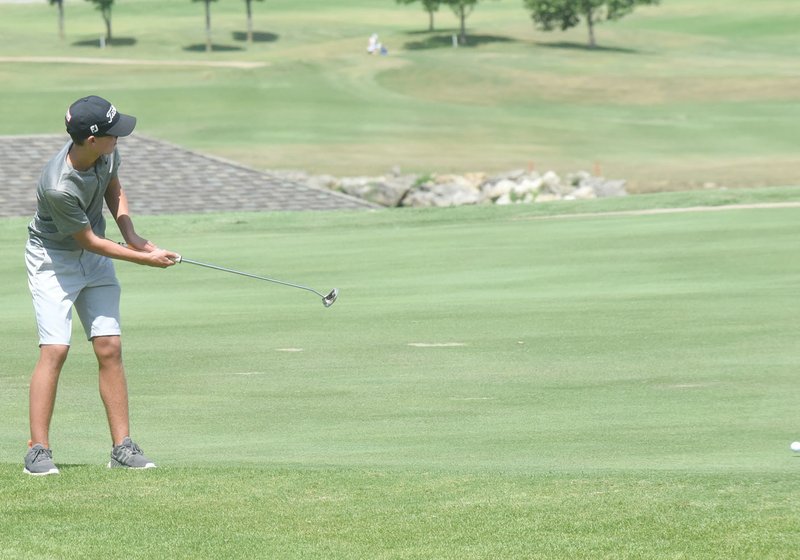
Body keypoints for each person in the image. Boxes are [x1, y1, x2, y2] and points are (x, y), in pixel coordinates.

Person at [23, 95, 179, 476]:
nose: (119, 138)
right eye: (113, 134)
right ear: (91, 140)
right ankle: (37, 450)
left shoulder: (105, 153)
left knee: (110, 345)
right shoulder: (58, 185)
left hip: (95, 254)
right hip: (53, 260)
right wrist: (145, 259)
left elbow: (113, 186)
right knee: (55, 349)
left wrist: (132, 233)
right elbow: (88, 241)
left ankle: (122, 448)